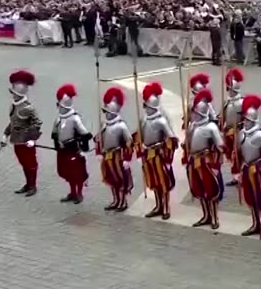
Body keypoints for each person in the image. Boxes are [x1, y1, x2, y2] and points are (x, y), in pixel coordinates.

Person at [235, 94, 261, 240]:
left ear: (252, 120)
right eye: (244, 119)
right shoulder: (241, 134)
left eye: (247, 120)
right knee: (250, 198)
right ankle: (255, 224)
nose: (244, 122)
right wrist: (238, 171)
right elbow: (238, 154)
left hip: (259, 172)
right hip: (246, 170)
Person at [137, 81, 178, 220]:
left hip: (160, 154)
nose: (145, 108)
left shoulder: (162, 119)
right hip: (148, 154)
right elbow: (139, 136)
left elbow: (171, 138)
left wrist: (167, 157)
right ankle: (158, 205)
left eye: (147, 106)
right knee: (153, 181)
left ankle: (166, 207)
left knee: (163, 182)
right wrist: (140, 147)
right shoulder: (143, 119)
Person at [185, 89, 225, 229]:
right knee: (200, 190)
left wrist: (216, 164)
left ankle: (214, 217)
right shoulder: (192, 126)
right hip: (194, 160)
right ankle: (206, 215)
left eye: (195, 112)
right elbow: (188, 143)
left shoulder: (211, 127)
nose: (193, 115)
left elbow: (221, 146)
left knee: (211, 190)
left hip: (207, 161)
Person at [2, 69, 42, 196]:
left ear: (20, 94)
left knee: (31, 164)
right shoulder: (13, 106)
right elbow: (13, 122)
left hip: (26, 142)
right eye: (12, 93)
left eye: (14, 93)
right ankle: (27, 183)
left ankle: (33, 186)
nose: (12, 95)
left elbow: (37, 123)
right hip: (16, 140)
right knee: (23, 164)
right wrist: (5, 134)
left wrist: (32, 139)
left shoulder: (28, 108)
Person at [52, 83, 92, 204]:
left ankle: (79, 193)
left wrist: (84, 150)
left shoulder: (75, 118)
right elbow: (55, 134)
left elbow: (85, 135)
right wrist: (57, 146)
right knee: (66, 172)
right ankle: (72, 192)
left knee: (77, 174)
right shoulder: (58, 119)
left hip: (74, 150)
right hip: (63, 151)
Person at [95, 87, 134, 211]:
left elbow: (129, 142)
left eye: (108, 112)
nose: (106, 114)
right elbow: (99, 139)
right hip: (107, 156)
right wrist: (98, 151)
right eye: (105, 111)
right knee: (111, 179)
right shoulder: (104, 124)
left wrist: (127, 158)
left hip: (118, 156)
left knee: (120, 179)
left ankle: (123, 201)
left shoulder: (121, 126)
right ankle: (115, 200)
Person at [221, 69, 246, 187]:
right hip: (228, 132)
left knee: (239, 155)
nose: (228, 91)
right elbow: (222, 117)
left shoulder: (242, 103)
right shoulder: (227, 102)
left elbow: (248, 119)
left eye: (229, 89)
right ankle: (236, 177)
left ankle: (242, 176)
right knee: (230, 155)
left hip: (239, 132)